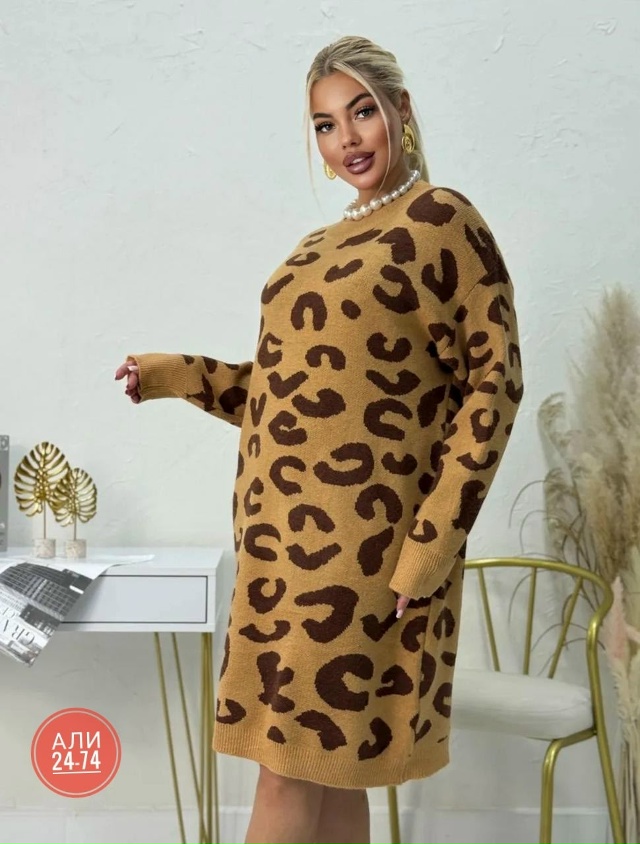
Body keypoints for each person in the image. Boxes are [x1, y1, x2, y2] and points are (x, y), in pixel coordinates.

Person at [115, 34, 524, 844]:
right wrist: (171, 374)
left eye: (362, 112)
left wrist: (432, 544)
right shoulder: (312, 249)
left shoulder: (440, 220)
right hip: (276, 548)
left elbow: (494, 386)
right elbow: (283, 396)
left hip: (365, 549)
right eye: (326, 125)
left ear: (401, 109)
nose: (348, 139)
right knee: (331, 768)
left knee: (287, 769)